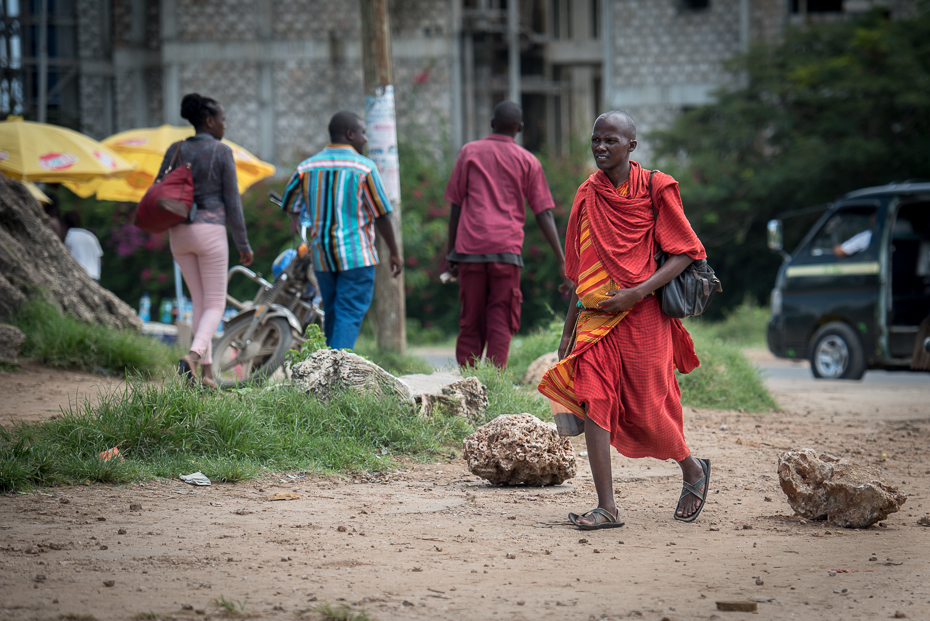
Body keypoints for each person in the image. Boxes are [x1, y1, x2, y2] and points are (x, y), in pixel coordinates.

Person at [538, 111, 711, 528]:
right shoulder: (586, 195)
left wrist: (637, 292)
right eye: (596, 140)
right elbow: (582, 272)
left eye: (610, 141)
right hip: (596, 319)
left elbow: (687, 250)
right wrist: (567, 332)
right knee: (595, 396)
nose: (600, 147)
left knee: (651, 409)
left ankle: (692, 469)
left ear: (631, 146)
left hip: (645, 315)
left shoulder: (657, 187)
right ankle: (606, 507)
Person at [444, 100, 568, 368]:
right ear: (520, 128)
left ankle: (468, 381)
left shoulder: (469, 152)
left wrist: (450, 252)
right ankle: (493, 381)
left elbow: (455, 207)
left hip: (469, 250)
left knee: (471, 319)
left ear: (491, 123)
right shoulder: (528, 161)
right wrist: (561, 259)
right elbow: (543, 213)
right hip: (506, 253)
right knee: (501, 317)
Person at [280, 111, 402, 350]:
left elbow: (289, 205)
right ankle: (335, 373)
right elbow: (382, 215)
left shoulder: (307, 167)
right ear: (350, 134)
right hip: (357, 255)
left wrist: (312, 220)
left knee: (333, 312)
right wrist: (395, 252)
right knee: (350, 313)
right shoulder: (364, 168)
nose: (365, 139)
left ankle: (326, 369)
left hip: (322, 256)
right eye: (362, 133)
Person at [156, 93, 253, 389]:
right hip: (210, 231)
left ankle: (208, 374)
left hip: (179, 233)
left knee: (200, 302)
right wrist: (243, 244)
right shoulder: (221, 151)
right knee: (215, 305)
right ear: (209, 121)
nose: (225, 125)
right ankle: (193, 356)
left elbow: (157, 190)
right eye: (222, 120)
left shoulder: (176, 149)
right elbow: (232, 202)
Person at [62, 211, 103, 281]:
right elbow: (99, 260)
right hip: (94, 275)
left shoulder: (68, 236)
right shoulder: (90, 236)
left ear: (65, 224)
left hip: (78, 275)